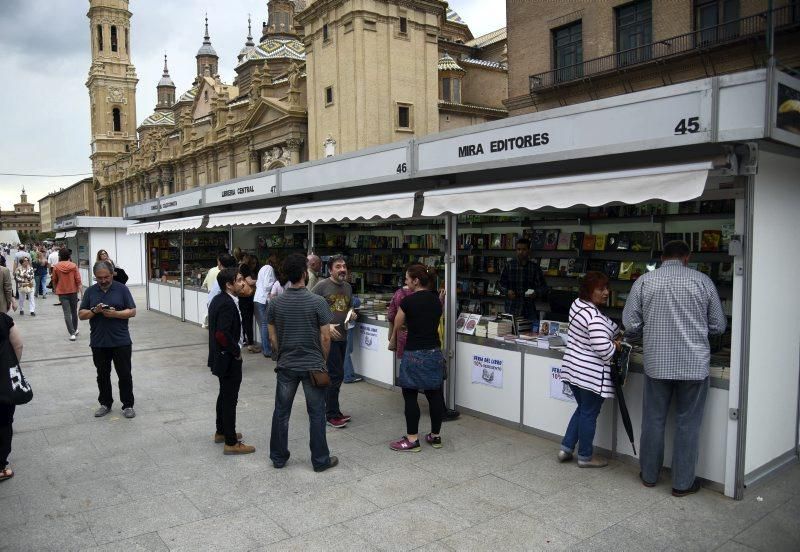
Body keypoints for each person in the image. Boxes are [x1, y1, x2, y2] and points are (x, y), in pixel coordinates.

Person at [623, 240, 727, 497]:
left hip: (657, 364)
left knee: (654, 421)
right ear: (687, 257)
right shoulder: (702, 282)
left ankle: (649, 476)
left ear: (662, 257)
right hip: (694, 364)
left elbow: (630, 323)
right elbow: (718, 326)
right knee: (688, 424)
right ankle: (682, 484)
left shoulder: (645, 282)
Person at [268, 253, 338, 472]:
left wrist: (283, 354)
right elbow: (326, 337)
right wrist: (322, 361)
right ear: (303, 274)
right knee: (316, 414)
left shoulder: (275, 303)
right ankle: (320, 460)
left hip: (287, 365)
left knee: (281, 412)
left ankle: (278, 457)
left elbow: (272, 338)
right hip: (313, 366)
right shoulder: (318, 302)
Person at [558, 271, 620, 468]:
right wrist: (616, 346)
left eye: (606, 288)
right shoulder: (593, 316)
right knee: (589, 414)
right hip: (589, 374)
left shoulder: (577, 304)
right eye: (600, 289)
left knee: (583, 409)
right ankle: (585, 456)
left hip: (573, 370)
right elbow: (603, 349)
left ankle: (566, 448)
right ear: (589, 290)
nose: (606, 293)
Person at [388, 264, 445, 452]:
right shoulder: (437, 301)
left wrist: (395, 338)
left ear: (416, 281)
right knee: (434, 394)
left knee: (410, 395)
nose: (406, 282)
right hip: (434, 352)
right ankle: (435, 436)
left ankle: (412, 439)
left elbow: (398, 322)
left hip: (413, 353)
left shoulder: (408, 302)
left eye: (407, 279)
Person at [78, 261, 137, 419]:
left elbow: (132, 311)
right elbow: (81, 315)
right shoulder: (90, 291)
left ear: (112, 274)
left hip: (121, 341)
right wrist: (94, 311)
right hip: (99, 342)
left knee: (124, 374)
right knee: (102, 375)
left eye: (106, 277)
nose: (103, 281)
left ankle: (128, 405)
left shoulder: (122, 289)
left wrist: (115, 314)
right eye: (99, 278)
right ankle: (105, 403)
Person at [207, 267, 255, 455]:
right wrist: (236, 352)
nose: (243, 283)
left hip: (222, 357)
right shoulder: (226, 303)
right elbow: (221, 334)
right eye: (239, 280)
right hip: (227, 358)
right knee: (229, 399)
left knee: (224, 395)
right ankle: (231, 442)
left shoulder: (222, 299)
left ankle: (222, 431)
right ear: (229, 284)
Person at [312, 255, 353, 428]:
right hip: (327, 338)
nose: (342, 269)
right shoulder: (321, 286)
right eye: (338, 266)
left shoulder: (348, 287)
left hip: (343, 336)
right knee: (334, 375)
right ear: (330, 270)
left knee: (338, 375)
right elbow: (309, 309)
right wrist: (326, 326)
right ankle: (331, 414)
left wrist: (352, 313)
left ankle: (334, 410)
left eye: (344, 266)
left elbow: (347, 306)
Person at [498, 237, 549, 320]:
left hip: (529, 308)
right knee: (511, 332)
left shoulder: (534, 267)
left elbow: (544, 287)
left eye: (524, 249)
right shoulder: (509, 265)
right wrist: (507, 292)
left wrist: (536, 293)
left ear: (529, 251)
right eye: (518, 249)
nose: (521, 252)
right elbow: (500, 285)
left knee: (530, 332)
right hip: (512, 307)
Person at [0, 310, 23, 482]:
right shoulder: (4, 319)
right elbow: (18, 344)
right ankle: (1, 466)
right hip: (3, 382)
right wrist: (12, 367)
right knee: (4, 422)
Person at [51, 249, 82, 341]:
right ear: (69, 256)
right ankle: (75, 329)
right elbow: (78, 279)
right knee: (74, 312)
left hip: (62, 292)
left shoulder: (56, 267)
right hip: (73, 291)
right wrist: (81, 290)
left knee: (66, 313)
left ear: (60, 256)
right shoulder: (73, 266)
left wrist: (56, 289)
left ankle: (72, 333)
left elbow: (54, 280)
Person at [254, 256, 276, 359]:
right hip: (264, 299)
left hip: (259, 298)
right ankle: (267, 350)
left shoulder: (262, 268)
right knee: (265, 324)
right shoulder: (269, 268)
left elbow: (259, 283)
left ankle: (265, 348)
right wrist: (276, 283)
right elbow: (267, 285)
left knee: (264, 324)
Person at [238, 256, 258, 354]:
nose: (254, 265)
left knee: (245, 320)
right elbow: (250, 281)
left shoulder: (239, 266)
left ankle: (245, 340)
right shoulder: (245, 267)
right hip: (246, 298)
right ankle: (250, 343)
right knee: (247, 320)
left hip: (242, 297)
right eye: (253, 263)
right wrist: (260, 280)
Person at [342, 296, 363, 384]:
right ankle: (348, 376)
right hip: (347, 327)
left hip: (340, 327)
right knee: (347, 352)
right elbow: (356, 303)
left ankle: (345, 375)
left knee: (344, 351)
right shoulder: (350, 296)